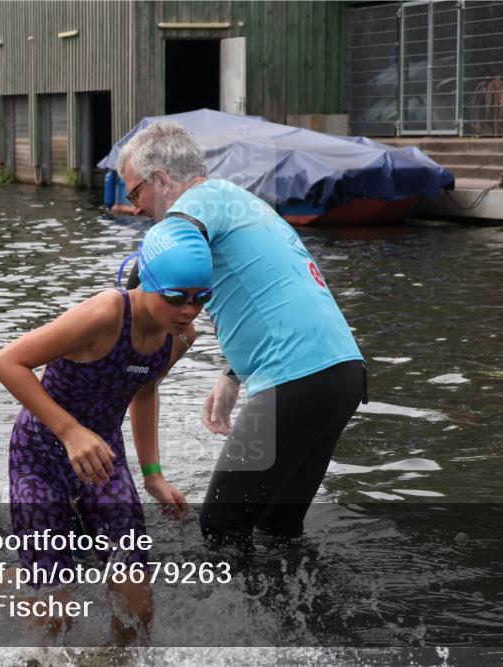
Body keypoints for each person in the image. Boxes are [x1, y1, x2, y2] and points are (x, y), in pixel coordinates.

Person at [116, 122, 367, 546]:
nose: (136, 208)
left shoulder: (193, 205)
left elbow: (169, 255)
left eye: (134, 192)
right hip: (340, 375)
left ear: (161, 179)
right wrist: (233, 373)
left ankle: (231, 616)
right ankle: (298, 612)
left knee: (220, 523)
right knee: (276, 527)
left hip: (295, 382)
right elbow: (273, 289)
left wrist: (109, 316)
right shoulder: (238, 201)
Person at [0, 218, 210, 643]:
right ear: (148, 281)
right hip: (39, 455)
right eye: (176, 296)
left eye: (202, 297)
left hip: (103, 458)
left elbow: (146, 391)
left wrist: (153, 475)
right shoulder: (106, 313)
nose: (189, 309)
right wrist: (70, 431)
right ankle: (16, 588)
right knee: (56, 615)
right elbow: (6, 363)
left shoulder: (179, 335)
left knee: (138, 608)